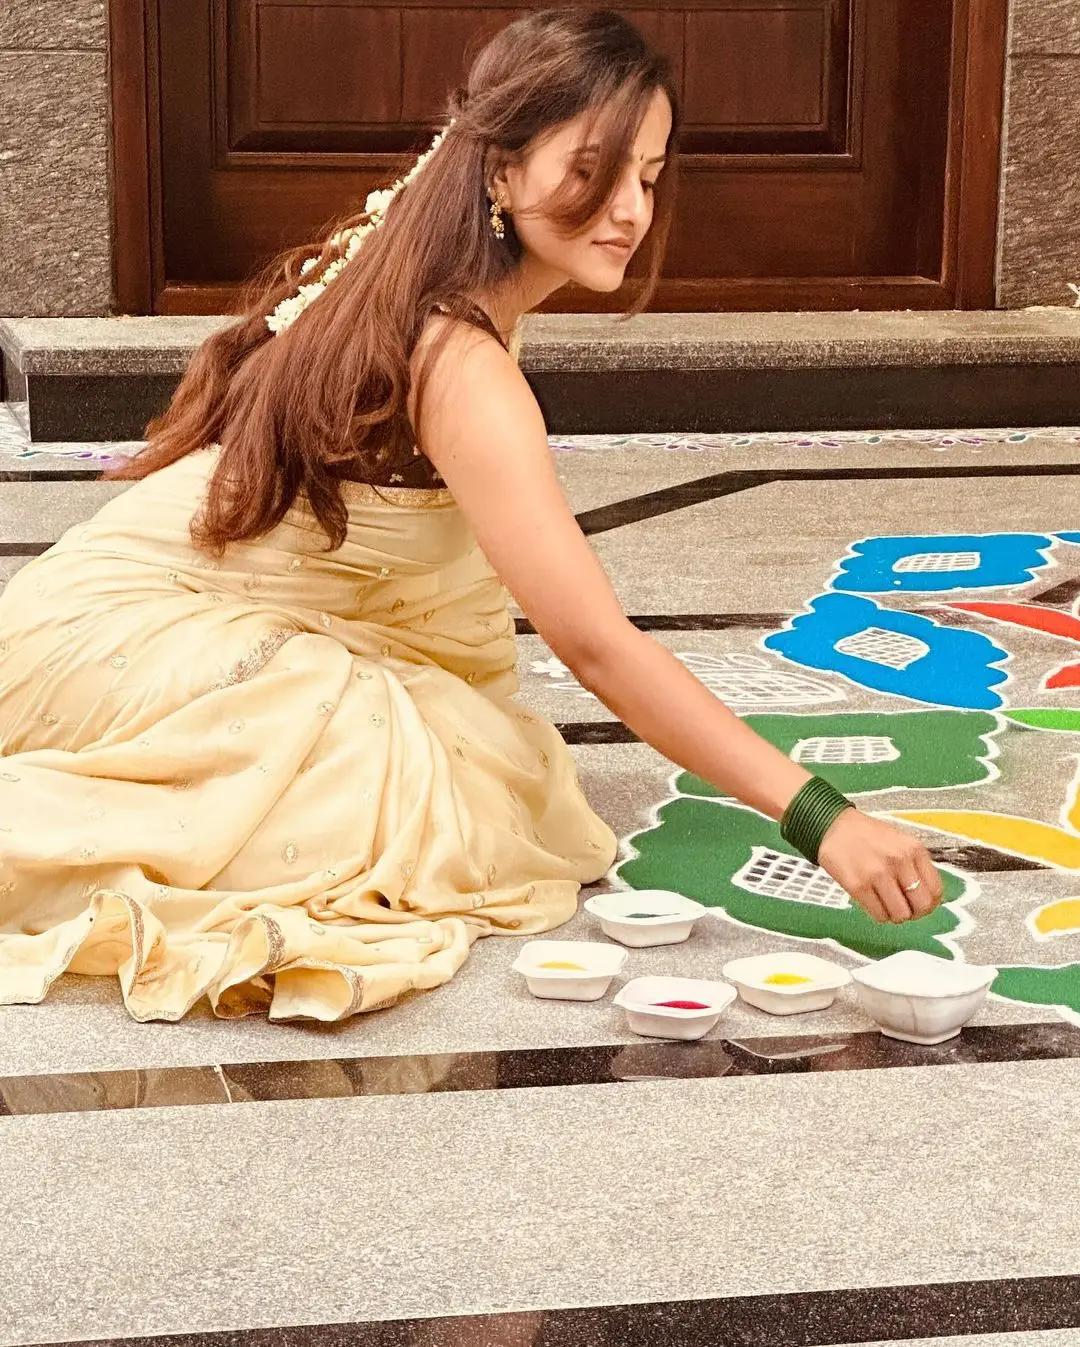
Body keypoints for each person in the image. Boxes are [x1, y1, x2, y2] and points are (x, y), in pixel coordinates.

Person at [0, 9, 943, 1024]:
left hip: (94, 610)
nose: (629, 208)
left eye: (651, 176)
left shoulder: (418, 273)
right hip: (124, 639)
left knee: (468, 756)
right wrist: (821, 818)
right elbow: (594, 645)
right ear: (498, 170)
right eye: (595, 171)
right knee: (395, 780)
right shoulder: (465, 366)